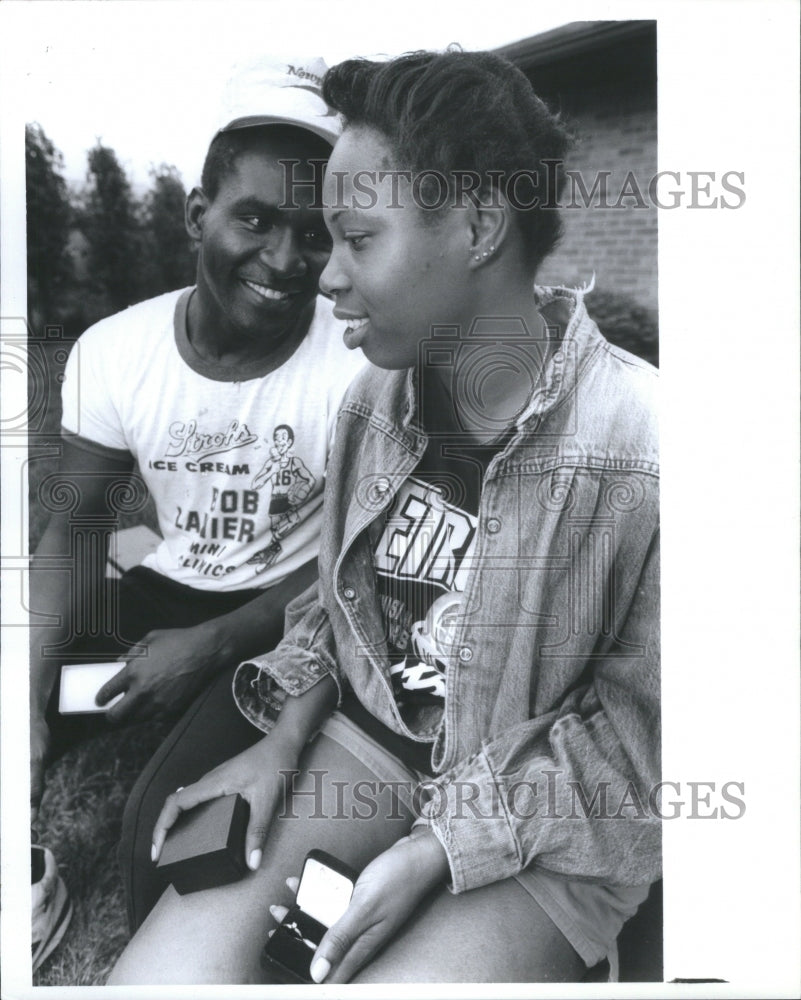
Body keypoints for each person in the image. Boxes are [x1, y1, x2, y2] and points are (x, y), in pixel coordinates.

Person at [109, 49, 660, 985]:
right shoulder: (374, 402)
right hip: (367, 750)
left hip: (544, 828)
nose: (325, 276)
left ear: (481, 224)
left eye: (357, 239)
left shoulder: (646, 445)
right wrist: (279, 748)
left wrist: (439, 848)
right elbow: (338, 605)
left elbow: (643, 752)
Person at [28, 57, 367, 953]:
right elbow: (75, 528)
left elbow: (355, 560)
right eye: (253, 219)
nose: (286, 261)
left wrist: (212, 649)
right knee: (43, 693)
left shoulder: (360, 356)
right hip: (169, 591)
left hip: (291, 618)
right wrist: (23, 699)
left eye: (316, 232)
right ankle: (27, 889)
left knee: (170, 832)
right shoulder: (116, 351)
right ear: (197, 214)